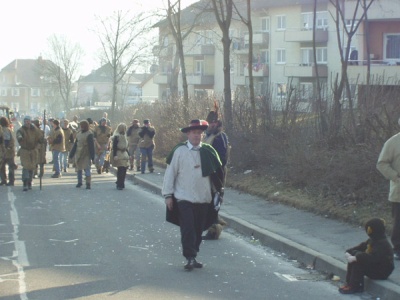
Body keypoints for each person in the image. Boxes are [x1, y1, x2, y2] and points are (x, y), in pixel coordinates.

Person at [162, 119, 224, 271]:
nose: (197, 136)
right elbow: (170, 174)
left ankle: (194, 254)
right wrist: (168, 195)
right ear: (188, 134)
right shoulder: (179, 152)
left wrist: (218, 194)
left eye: (200, 133)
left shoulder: (208, 152)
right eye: (194, 133)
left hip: (203, 198)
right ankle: (189, 256)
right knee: (188, 228)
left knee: (198, 229)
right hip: (184, 197)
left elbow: (217, 177)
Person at [339, 218, 394, 294]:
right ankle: (349, 283)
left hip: (382, 271)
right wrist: (349, 252)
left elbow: (373, 258)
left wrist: (356, 257)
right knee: (355, 255)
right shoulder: (372, 240)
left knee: (358, 263)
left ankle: (356, 286)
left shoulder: (383, 244)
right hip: (376, 266)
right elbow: (362, 247)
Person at [202, 102, 230, 240]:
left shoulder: (220, 137)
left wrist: (214, 169)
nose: (211, 125)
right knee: (207, 201)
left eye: (213, 123)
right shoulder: (207, 136)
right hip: (206, 173)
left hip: (216, 173)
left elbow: (222, 158)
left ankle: (214, 229)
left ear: (217, 123)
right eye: (209, 123)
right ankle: (212, 224)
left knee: (215, 200)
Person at [377, 124, 400, 261]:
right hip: (399, 191)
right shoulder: (393, 142)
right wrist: (396, 177)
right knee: (399, 221)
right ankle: (398, 248)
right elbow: (381, 163)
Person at [16, 116, 42, 191]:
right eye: (26, 121)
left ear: (30, 121)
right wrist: (20, 138)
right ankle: (25, 182)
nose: (27, 122)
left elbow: (39, 136)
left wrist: (41, 140)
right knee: (26, 167)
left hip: (33, 151)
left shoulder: (34, 129)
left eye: (28, 121)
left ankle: (30, 181)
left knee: (32, 167)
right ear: (24, 122)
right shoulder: (21, 130)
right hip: (25, 151)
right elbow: (18, 135)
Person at [69, 120, 95, 189]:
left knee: (87, 168)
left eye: (82, 126)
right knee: (79, 168)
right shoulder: (78, 134)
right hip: (78, 153)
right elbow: (75, 144)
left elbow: (91, 146)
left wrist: (93, 157)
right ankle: (79, 182)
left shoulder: (89, 134)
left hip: (86, 153)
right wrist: (71, 154)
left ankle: (88, 183)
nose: (81, 127)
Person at [111, 123, 129, 190]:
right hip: (119, 153)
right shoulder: (117, 136)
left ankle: (122, 182)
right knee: (120, 169)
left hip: (124, 153)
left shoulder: (125, 136)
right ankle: (119, 183)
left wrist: (129, 154)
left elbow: (126, 146)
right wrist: (115, 155)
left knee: (124, 169)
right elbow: (114, 146)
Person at [0, 117, 16, 186]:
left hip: (5, 151)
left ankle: (4, 180)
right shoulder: (9, 130)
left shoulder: (4, 130)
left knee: (3, 167)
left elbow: (6, 140)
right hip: (10, 151)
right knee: (10, 167)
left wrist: (5, 148)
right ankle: (10, 180)